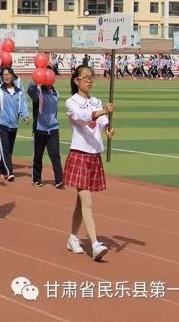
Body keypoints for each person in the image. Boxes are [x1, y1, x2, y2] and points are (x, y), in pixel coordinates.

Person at [65, 65, 115, 262]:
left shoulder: (96, 101)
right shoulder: (71, 102)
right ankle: (95, 244)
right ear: (76, 80)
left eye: (91, 77)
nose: (89, 80)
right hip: (79, 154)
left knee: (80, 202)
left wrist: (108, 129)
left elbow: (101, 123)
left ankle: (72, 237)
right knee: (87, 202)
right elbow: (83, 118)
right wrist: (103, 111)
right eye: (85, 77)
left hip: (94, 155)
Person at [28, 70, 63, 188]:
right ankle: (37, 179)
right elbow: (30, 91)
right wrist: (36, 79)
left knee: (55, 155)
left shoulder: (55, 93)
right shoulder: (38, 93)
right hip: (40, 129)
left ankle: (59, 180)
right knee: (38, 155)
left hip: (53, 129)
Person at [0, 67, 29, 181]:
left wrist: (25, 115)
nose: (6, 76)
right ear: (2, 77)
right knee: (5, 149)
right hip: (1, 124)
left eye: (9, 74)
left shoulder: (18, 92)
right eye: (4, 74)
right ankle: (9, 172)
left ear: (13, 76)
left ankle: (2, 168)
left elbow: (22, 105)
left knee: (9, 150)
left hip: (14, 124)